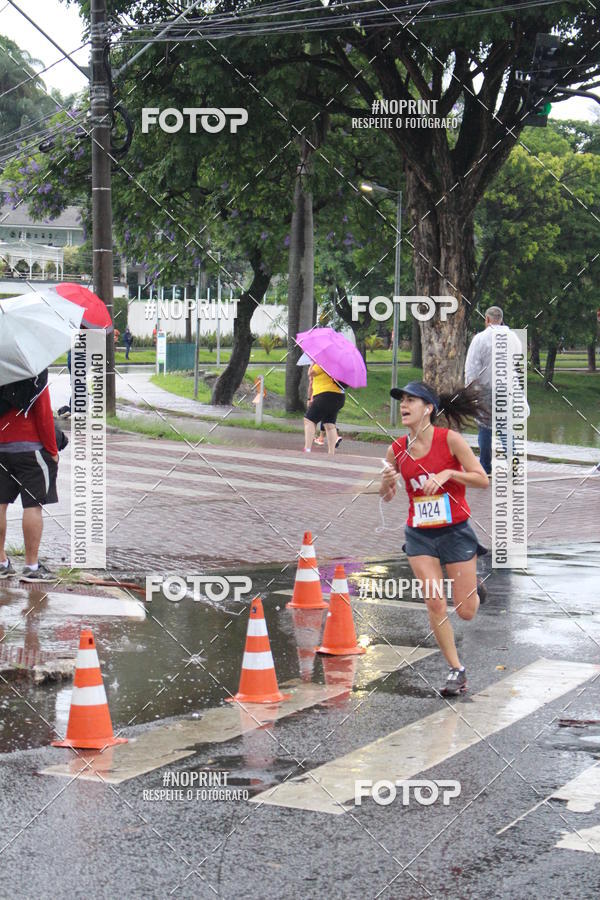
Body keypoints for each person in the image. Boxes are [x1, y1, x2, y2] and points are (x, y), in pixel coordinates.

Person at [380, 381, 489, 697]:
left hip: (455, 532)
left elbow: (482, 479)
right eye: (402, 399)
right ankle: (457, 669)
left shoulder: (450, 440)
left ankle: (475, 587)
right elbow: (385, 497)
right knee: (434, 601)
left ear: (428, 408)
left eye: (411, 400)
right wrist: (386, 482)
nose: (404, 404)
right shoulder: (396, 449)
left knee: (466, 611)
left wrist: (450, 474)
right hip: (420, 536)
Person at [0, 370, 59, 583]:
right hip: (30, 448)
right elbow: (43, 415)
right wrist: (52, 450)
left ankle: (1, 563)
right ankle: (32, 566)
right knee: (32, 506)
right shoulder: (33, 369)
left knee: (0, 503)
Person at [464, 305, 523, 475]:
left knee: (485, 427)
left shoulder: (480, 339)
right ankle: (514, 464)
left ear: (487, 319)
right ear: (501, 319)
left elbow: (472, 367)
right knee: (505, 427)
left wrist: (471, 388)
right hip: (507, 389)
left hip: (486, 389)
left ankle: (485, 467)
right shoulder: (514, 339)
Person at [303, 363, 345, 455]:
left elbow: (311, 373)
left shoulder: (323, 362)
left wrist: (313, 363)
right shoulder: (336, 363)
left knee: (309, 420)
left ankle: (307, 450)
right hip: (338, 396)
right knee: (329, 424)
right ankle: (331, 453)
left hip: (325, 395)